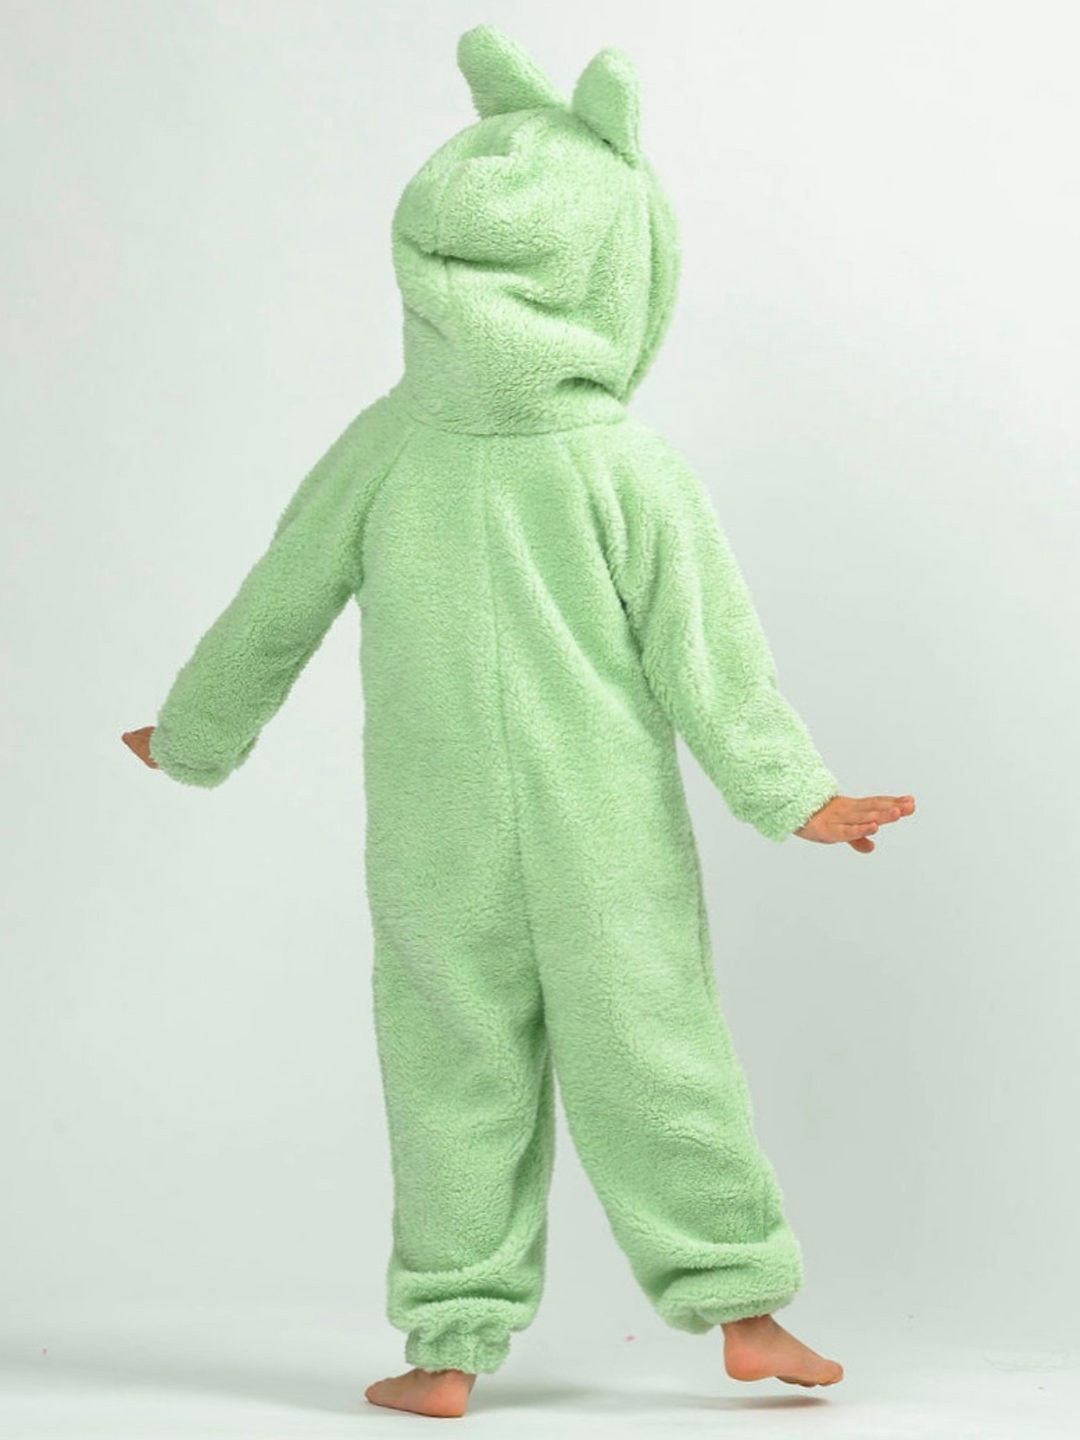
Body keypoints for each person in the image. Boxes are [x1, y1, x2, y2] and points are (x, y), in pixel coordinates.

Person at [123, 23, 915, 1420]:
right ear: (620, 270)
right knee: (653, 1048)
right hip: (599, 821)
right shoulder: (624, 464)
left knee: (452, 1066)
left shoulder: (387, 445)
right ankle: (740, 1307)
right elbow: (709, 660)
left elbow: (277, 601)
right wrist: (793, 793)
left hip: (434, 821)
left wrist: (196, 732)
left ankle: (450, 1343)